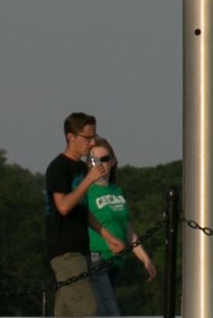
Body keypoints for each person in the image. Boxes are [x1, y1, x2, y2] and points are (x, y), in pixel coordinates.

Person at [46, 113, 118, 317]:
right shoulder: (58, 167)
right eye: (87, 138)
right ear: (71, 137)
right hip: (65, 252)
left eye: (94, 136)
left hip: (82, 250)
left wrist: (108, 236)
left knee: (66, 313)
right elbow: (63, 207)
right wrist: (88, 180)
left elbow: (83, 211)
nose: (92, 143)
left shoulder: (80, 167)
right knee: (89, 310)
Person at [84, 138, 157, 316]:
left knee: (103, 311)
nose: (100, 164)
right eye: (94, 160)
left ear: (113, 161)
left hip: (116, 261)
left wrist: (144, 258)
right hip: (96, 257)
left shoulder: (116, 190)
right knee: (111, 312)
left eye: (105, 159)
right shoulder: (87, 190)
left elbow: (127, 228)